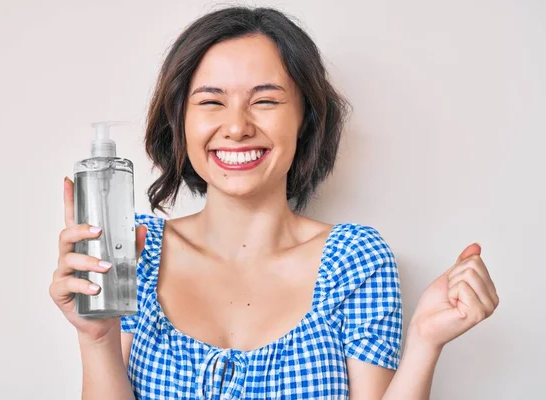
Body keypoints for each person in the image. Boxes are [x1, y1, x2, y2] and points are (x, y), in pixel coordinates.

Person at [50, 6, 499, 399]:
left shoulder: (356, 260)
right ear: (180, 121)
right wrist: (97, 339)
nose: (237, 127)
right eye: (211, 102)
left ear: (305, 119)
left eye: (264, 100)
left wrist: (425, 341)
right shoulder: (135, 248)